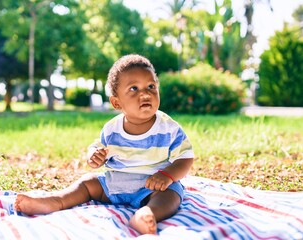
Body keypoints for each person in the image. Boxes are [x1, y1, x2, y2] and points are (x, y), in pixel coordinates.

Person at [14, 54, 194, 235]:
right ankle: (55, 201)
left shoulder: (168, 128)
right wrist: (94, 155)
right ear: (117, 102)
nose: (145, 93)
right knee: (87, 183)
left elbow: (185, 158)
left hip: (153, 187)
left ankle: (147, 214)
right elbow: (97, 147)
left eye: (151, 86)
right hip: (115, 184)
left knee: (172, 194)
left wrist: (167, 175)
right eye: (134, 88)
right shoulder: (111, 129)